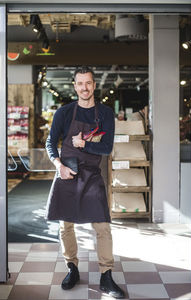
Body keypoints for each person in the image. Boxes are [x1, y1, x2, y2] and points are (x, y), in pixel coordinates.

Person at [45, 66, 125, 299]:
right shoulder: (64, 113)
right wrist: (59, 166)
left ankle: (106, 275)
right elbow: (50, 143)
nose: (84, 88)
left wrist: (84, 145)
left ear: (94, 85)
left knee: (103, 226)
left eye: (88, 83)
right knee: (65, 226)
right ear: (75, 86)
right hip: (67, 173)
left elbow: (106, 147)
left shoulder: (106, 113)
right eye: (80, 84)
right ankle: (72, 268)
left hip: (92, 175)